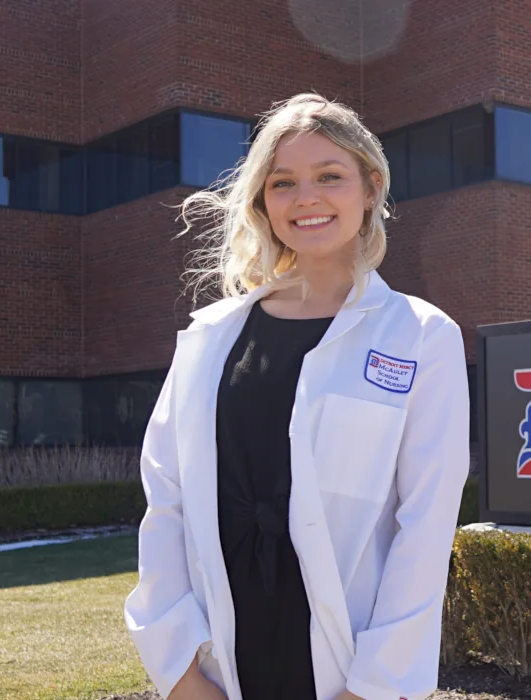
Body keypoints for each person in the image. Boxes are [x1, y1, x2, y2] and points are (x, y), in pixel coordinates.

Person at [124, 93, 471, 700]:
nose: (305, 197)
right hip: (218, 670)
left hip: (346, 673)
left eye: (329, 176)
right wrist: (180, 673)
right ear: (262, 200)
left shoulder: (421, 337)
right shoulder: (209, 339)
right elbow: (166, 508)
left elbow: (425, 531)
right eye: (283, 182)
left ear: (371, 189)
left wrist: (370, 688)